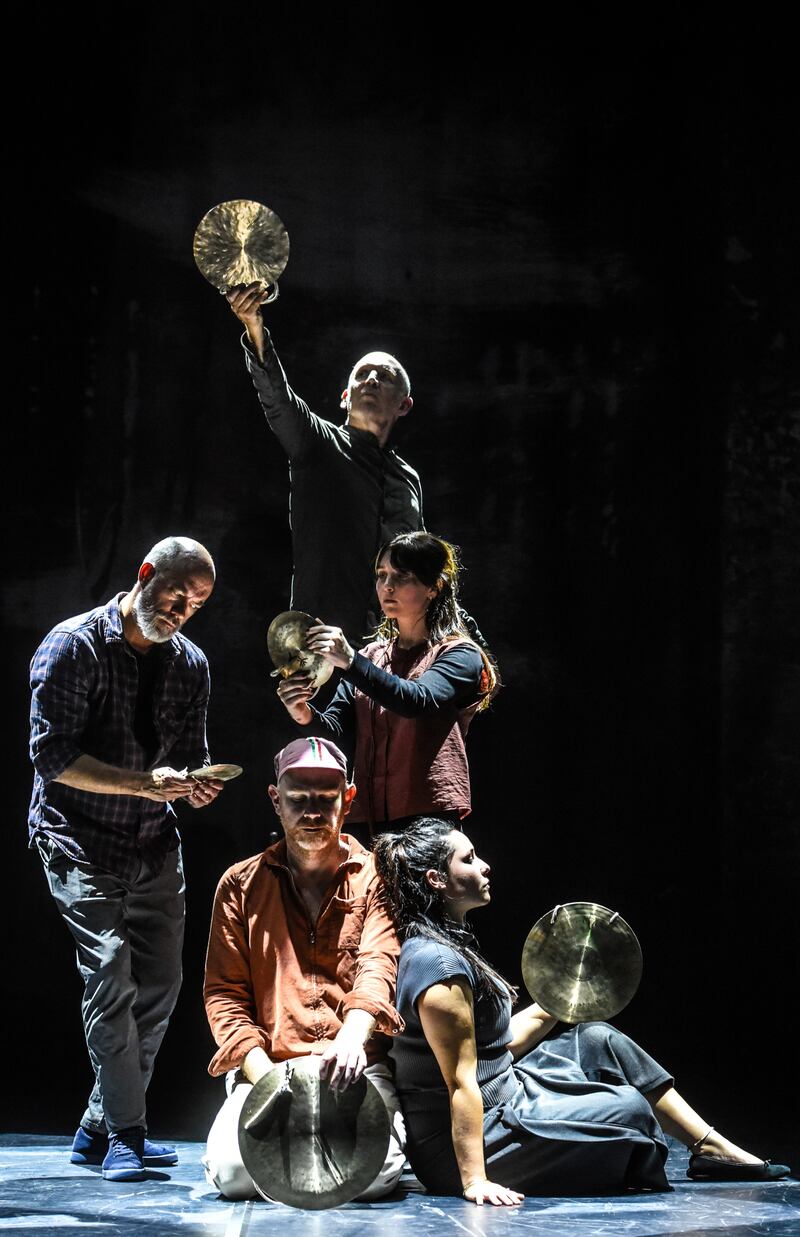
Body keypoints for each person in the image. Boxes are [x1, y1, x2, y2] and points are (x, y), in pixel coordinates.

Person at [373, 817, 791, 1206]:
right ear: (436, 880)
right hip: (471, 1141)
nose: (485, 866)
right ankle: (669, 1144)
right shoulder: (439, 968)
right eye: (468, 859)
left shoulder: (448, 943)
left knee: (597, 1038)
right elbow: (461, 1081)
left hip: (504, 1095)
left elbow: (496, 1048)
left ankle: (712, 1148)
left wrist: (565, 993)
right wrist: (474, 1181)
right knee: (629, 1111)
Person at [28, 536, 225, 1182]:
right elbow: (53, 759)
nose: (182, 610)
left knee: (162, 984)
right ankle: (126, 1134)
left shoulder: (191, 664)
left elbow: (186, 760)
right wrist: (144, 782)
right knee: (110, 974)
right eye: (177, 593)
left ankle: (96, 1125)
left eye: (196, 603)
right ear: (145, 574)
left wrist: (194, 785)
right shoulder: (72, 646)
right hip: (78, 838)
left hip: (151, 839)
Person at [202, 736, 406, 1201]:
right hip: (273, 1066)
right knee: (233, 1175)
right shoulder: (240, 885)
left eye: (325, 798)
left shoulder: (377, 877)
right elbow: (225, 997)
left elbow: (378, 966)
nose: (312, 811)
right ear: (276, 800)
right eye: (298, 799)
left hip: (354, 1067)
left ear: (348, 799)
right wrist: (265, 1076)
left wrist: (351, 1039)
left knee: (374, 1177)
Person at [227, 283, 422, 646]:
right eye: (362, 374)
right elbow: (278, 399)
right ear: (345, 397)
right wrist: (254, 327)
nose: (373, 380)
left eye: (386, 376)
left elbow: (423, 566)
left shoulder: (408, 479)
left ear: (404, 405)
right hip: (319, 650)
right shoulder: (318, 442)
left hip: (388, 655)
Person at [276, 533, 498, 833]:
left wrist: (352, 662)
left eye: (402, 576)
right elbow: (337, 731)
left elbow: (414, 700)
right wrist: (302, 711)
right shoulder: (372, 655)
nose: (387, 586)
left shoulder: (460, 653)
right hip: (365, 818)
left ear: (435, 586)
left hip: (427, 818)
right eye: (382, 575)